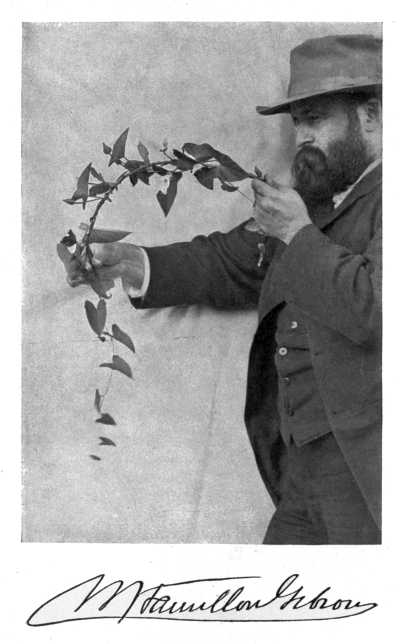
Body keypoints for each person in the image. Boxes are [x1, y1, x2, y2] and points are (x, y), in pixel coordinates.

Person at [62, 34, 382, 544]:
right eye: (297, 122)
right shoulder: (314, 205)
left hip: (371, 475)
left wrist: (295, 232)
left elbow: (375, 312)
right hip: (301, 471)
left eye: (316, 119)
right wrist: (131, 261)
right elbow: (228, 261)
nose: (302, 137)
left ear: (371, 116)